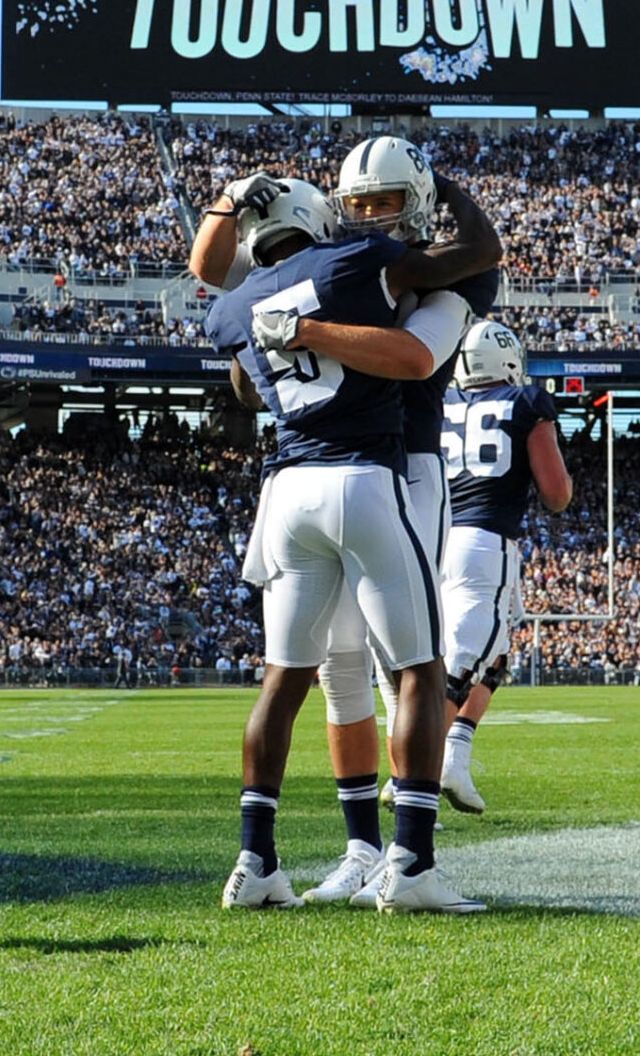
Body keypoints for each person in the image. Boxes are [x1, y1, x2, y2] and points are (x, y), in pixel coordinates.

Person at [206, 167, 497, 915]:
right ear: (324, 215)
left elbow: (239, 362)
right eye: (356, 206)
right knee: (414, 670)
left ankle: (256, 859)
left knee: (285, 678)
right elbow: (473, 256)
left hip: (290, 487)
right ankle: (407, 860)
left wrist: (234, 196)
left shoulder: (242, 302)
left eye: (381, 202)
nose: (368, 216)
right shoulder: (356, 261)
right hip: (367, 474)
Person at [435, 317, 572, 817]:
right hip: (484, 543)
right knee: (455, 671)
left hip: (433, 540)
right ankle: (413, 775)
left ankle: (454, 757)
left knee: (495, 659)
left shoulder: (441, 401)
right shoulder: (526, 401)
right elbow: (556, 496)